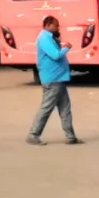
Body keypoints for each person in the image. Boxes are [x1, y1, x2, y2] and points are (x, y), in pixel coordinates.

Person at [27, 16, 82, 146]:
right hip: (52, 79)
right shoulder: (44, 38)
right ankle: (33, 135)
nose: (57, 27)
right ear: (48, 25)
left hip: (58, 78)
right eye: (55, 25)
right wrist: (67, 48)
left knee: (65, 108)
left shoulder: (50, 38)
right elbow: (56, 55)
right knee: (46, 108)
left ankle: (71, 137)